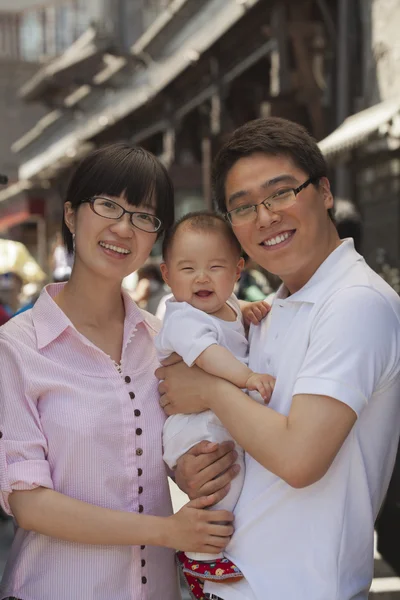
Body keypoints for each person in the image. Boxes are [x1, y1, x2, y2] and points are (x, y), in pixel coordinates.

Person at [156, 117, 400, 600]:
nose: (265, 217)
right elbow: (240, 434)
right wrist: (190, 468)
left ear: (325, 191)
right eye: (242, 207)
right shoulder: (273, 308)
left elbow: (298, 457)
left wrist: (208, 389)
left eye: (281, 193)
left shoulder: (355, 302)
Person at [0, 143, 234, 600]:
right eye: (108, 205)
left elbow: (171, 449)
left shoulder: (161, 340)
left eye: (144, 216)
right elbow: (28, 504)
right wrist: (167, 531)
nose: (124, 227)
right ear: (71, 216)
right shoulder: (17, 348)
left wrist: (193, 468)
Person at [155, 211, 272, 589]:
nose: (202, 278)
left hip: (215, 415)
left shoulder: (230, 305)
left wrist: (248, 312)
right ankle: (201, 556)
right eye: (187, 269)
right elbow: (209, 356)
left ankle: (213, 549)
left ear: (238, 270)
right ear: (167, 275)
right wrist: (248, 377)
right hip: (194, 426)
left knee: (233, 478)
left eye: (215, 267)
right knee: (223, 483)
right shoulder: (184, 318)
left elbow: (232, 324)